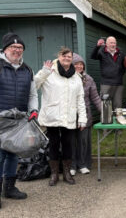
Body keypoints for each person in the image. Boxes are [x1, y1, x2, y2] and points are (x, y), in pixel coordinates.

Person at [35, 47, 87, 186]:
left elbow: (80, 99)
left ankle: (67, 173)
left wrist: (82, 118)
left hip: (69, 116)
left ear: (72, 59)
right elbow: (35, 85)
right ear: (59, 57)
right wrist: (44, 72)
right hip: (52, 115)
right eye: (64, 56)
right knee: (53, 144)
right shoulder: (49, 71)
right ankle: (54, 174)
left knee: (68, 144)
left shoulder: (76, 77)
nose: (66, 58)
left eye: (69, 56)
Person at [0, 33, 38, 207]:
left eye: (20, 48)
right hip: (1, 119)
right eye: (13, 48)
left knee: (13, 153)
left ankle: (9, 188)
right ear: (5, 49)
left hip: (19, 119)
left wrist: (34, 110)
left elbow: (32, 94)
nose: (17, 51)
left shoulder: (27, 70)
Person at [70, 53, 101, 176]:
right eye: (76, 64)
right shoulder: (68, 78)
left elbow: (95, 98)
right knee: (71, 141)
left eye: (81, 64)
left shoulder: (88, 79)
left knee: (83, 141)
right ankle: (71, 165)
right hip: (71, 115)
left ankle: (83, 164)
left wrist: (104, 113)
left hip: (86, 115)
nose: (79, 66)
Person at [90, 36, 126, 109]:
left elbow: (124, 67)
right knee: (105, 105)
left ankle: (117, 120)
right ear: (106, 44)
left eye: (114, 43)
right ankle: (106, 120)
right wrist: (97, 46)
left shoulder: (121, 54)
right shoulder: (102, 52)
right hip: (106, 84)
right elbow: (93, 56)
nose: (113, 44)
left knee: (118, 106)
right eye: (111, 43)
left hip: (118, 84)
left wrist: (119, 75)